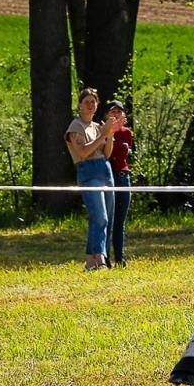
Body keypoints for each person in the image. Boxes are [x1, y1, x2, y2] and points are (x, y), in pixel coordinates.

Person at [65, 87, 121, 270]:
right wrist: (103, 135)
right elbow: (82, 153)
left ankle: (91, 260)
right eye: (86, 101)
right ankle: (100, 257)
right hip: (89, 172)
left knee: (107, 218)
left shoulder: (98, 126)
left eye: (93, 101)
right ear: (80, 105)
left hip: (105, 170)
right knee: (100, 217)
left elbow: (107, 153)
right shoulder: (75, 127)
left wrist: (110, 134)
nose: (90, 105)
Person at [104, 100, 135, 264]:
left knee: (120, 220)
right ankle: (105, 257)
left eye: (119, 112)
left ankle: (119, 257)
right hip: (109, 177)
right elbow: (108, 154)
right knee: (108, 219)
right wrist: (110, 134)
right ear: (107, 115)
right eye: (113, 112)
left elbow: (122, 154)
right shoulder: (102, 131)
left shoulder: (127, 133)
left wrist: (116, 143)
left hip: (123, 177)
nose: (116, 115)